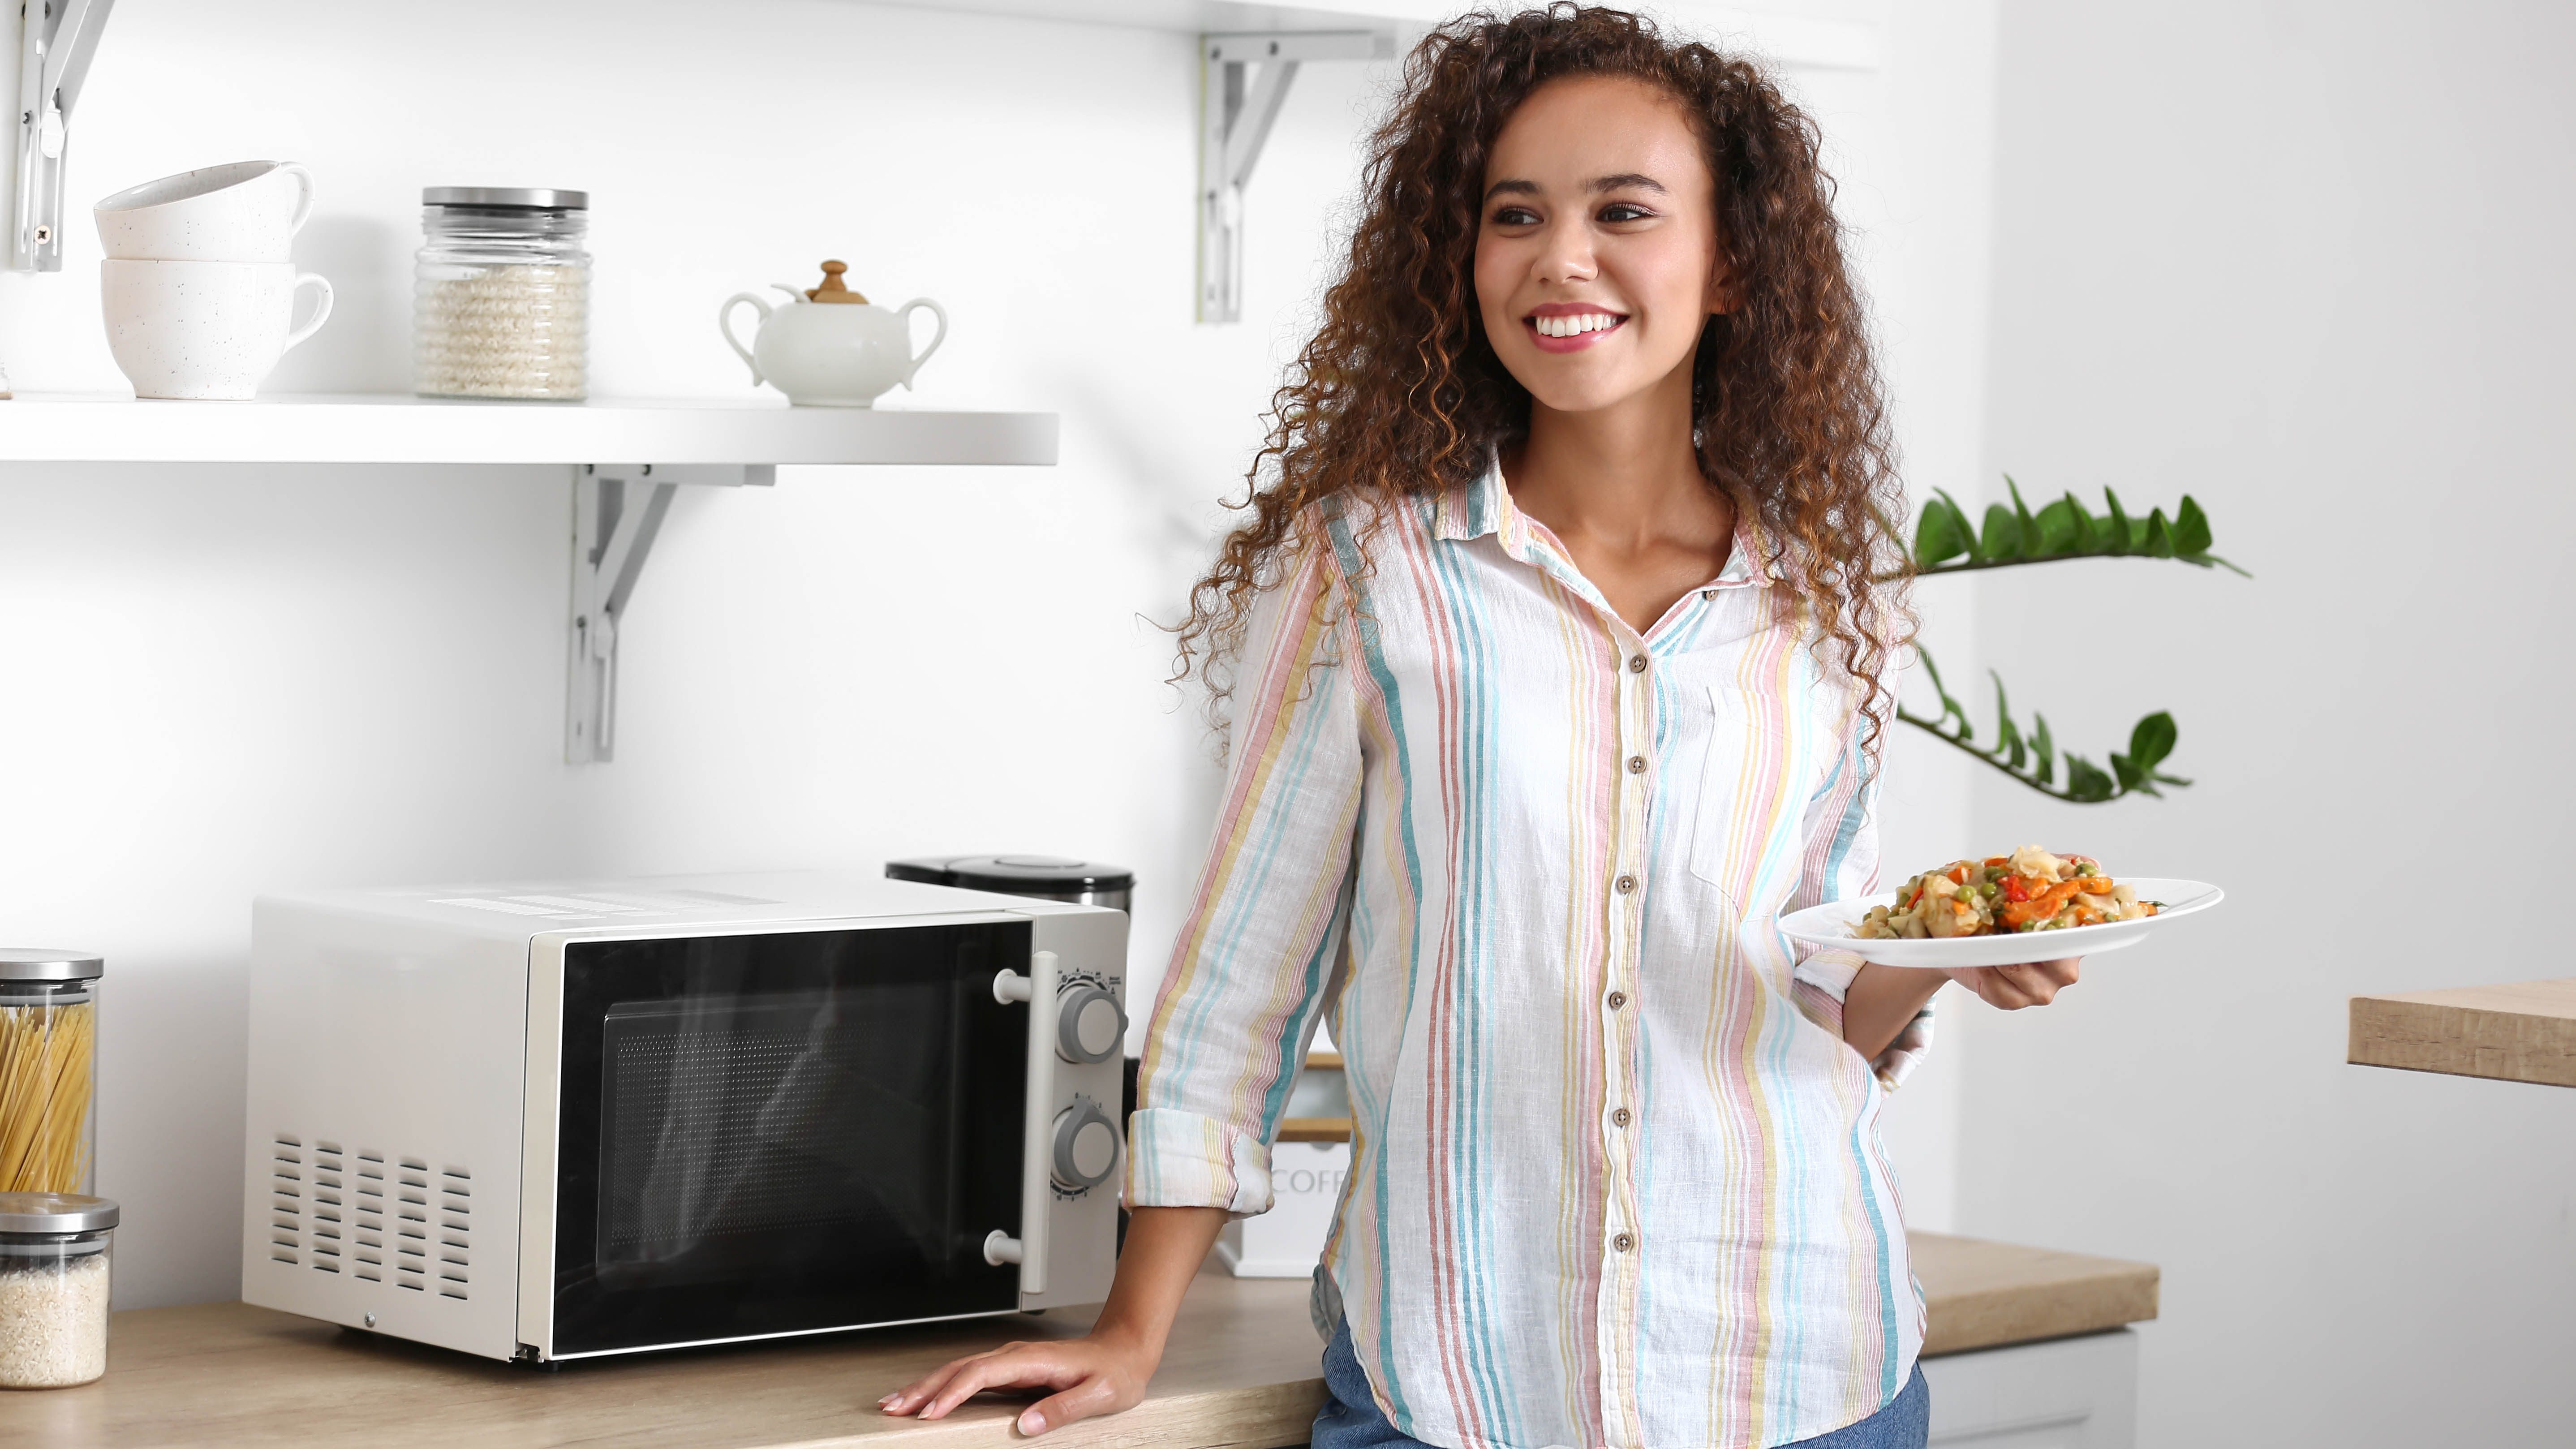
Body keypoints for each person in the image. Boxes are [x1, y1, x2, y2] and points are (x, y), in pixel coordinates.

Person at [884, 8, 2080, 1446]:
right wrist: (1135, 1333)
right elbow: (1241, 986)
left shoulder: (1831, 604)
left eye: (1623, 211)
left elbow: (1810, 1006)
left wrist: (1943, 959)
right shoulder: (1370, 573)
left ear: (1736, 266)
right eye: (1516, 215)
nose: (1561, 258)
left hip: (1809, 1373)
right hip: (1459, 1387)